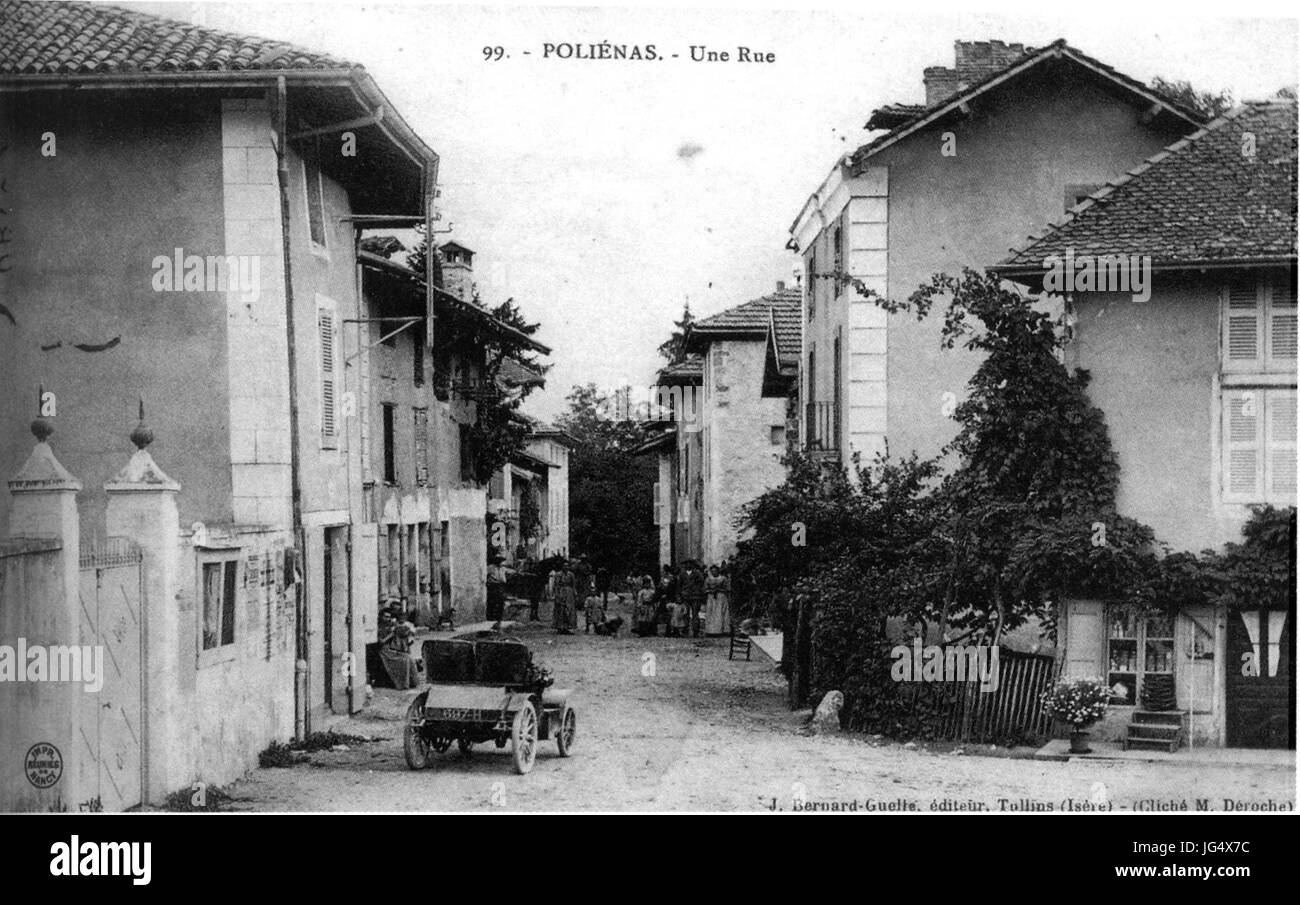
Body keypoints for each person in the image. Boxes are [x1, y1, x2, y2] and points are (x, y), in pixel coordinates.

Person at [378, 605, 419, 689]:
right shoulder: (378, 627)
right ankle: (403, 684)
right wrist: (392, 634)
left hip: (391, 650)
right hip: (384, 651)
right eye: (385, 617)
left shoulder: (390, 625)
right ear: (381, 617)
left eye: (389, 617)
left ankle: (412, 683)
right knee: (405, 660)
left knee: (410, 658)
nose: (388, 619)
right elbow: (381, 642)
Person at [679, 560, 705, 638]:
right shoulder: (682, 574)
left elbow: (701, 582)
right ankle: (685, 630)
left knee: (695, 614)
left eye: (690, 563)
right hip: (685, 596)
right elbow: (679, 585)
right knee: (685, 614)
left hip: (695, 596)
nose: (688, 565)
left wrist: (696, 588)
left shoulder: (697, 573)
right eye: (686, 563)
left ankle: (696, 631)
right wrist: (680, 595)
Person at [704, 564, 731, 636]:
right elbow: (705, 589)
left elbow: (728, 589)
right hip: (711, 598)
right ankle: (711, 631)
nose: (714, 573)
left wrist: (719, 590)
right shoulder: (708, 579)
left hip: (721, 598)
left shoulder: (723, 579)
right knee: (711, 613)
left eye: (715, 571)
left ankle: (721, 630)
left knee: (720, 613)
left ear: (718, 571)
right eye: (712, 571)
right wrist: (710, 591)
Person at [552, 567, 578, 634]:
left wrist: (575, 593)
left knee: (569, 610)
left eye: (567, 567)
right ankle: (560, 627)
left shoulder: (571, 574)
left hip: (569, 593)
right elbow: (556, 585)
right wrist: (556, 594)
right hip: (561, 591)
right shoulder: (558, 574)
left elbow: (574, 584)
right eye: (564, 567)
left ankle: (568, 627)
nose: (566, 568)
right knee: (560, 609)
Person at [486, 556, 508, 626]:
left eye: (500, 561)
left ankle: (499, 618)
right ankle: (491, 618)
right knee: (493, 601)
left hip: (501, 586)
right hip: (493, 586)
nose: (499, 562)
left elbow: (510, 572)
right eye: (498, 561)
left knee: (501, 602)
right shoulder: (490, 568)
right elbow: (486, 575)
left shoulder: (503, 568)